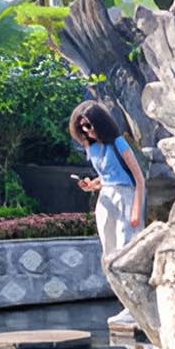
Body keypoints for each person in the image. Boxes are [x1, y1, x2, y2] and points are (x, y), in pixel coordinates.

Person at [69, 100, 146, 329]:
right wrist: (91, 184)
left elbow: (139, 178)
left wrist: (136, 209)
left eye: (90, 125)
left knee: (127, 249)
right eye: (82, 127)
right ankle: (126, 304)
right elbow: (106, 176)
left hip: (127, 196)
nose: (87, 130)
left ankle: (137, 307)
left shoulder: (118, 143)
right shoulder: (91, 147)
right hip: (106, 199)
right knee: (110, 254)